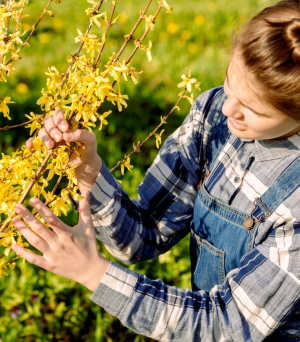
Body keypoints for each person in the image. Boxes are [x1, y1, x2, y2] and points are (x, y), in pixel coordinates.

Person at [10, 0, 300, 340]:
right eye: (230, 83)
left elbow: (224, 326)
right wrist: (86, 168)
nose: (229, 109)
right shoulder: (213, 115)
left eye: (254, 110)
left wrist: (93, 273)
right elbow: (144, 234)